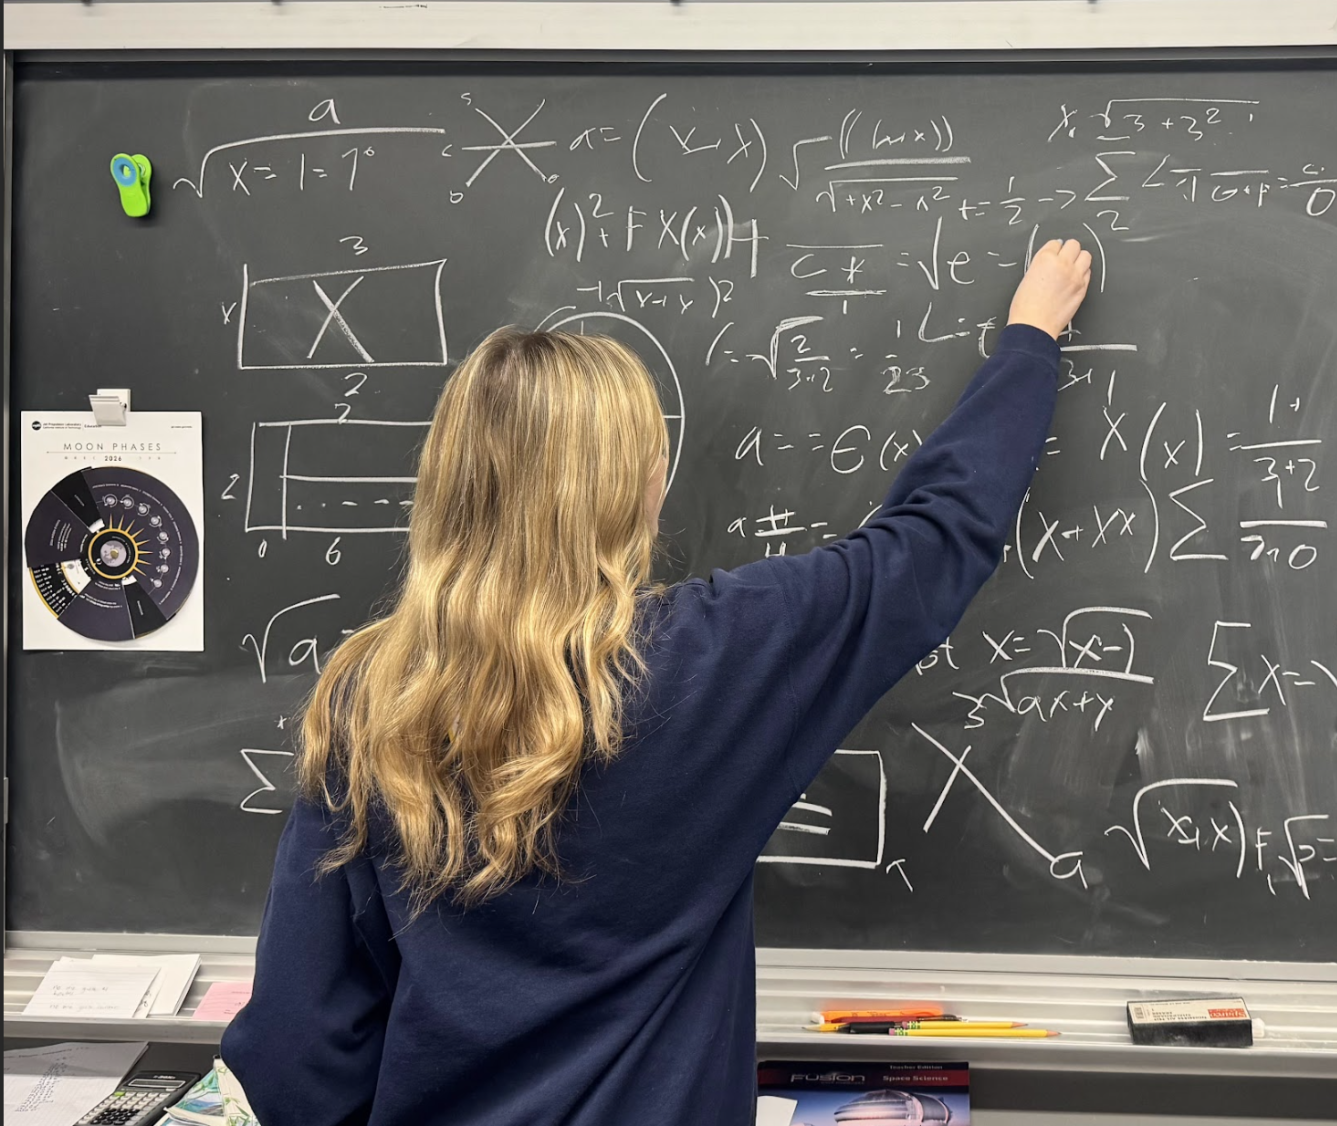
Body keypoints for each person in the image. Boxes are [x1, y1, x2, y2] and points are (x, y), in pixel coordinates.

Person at [221, 239, 1092, 1124]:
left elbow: (296, 1051)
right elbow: (932, 541)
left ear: (447, 486)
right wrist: (1027, 340)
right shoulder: (714, 657)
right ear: (642, 489)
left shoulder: (375, 697)